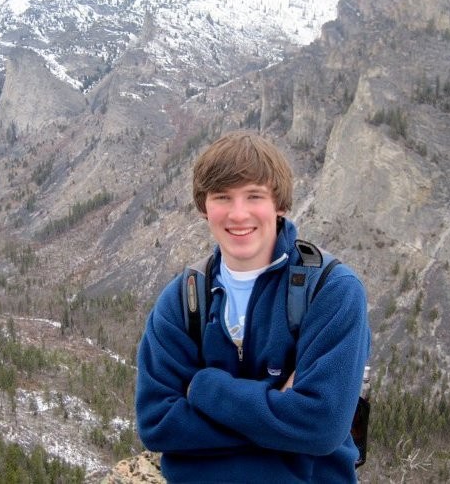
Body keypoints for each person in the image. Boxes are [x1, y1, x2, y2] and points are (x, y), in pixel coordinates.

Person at [135, 131, 371, 483]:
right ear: (205, 208)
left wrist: (203, 388)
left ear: (279, 204)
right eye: (223, 197)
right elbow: (156, 423)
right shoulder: (184, 300)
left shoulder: (331, 291)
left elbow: (321, 426)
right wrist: (279, 412)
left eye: (254, 196)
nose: (239, 213)